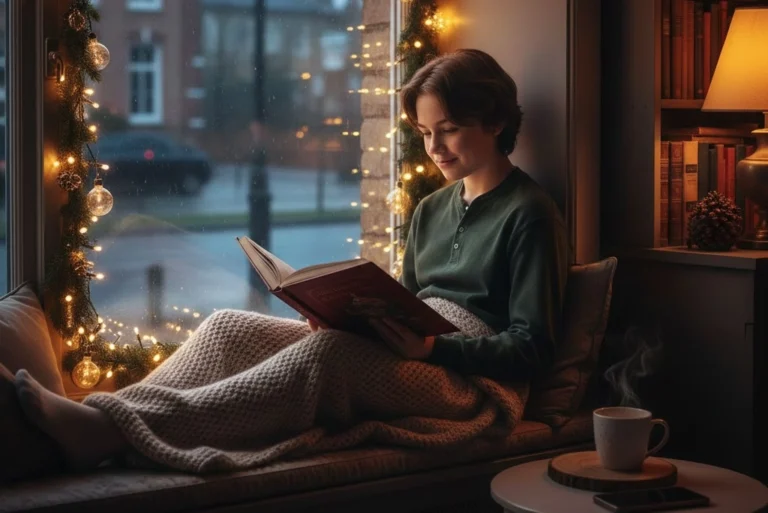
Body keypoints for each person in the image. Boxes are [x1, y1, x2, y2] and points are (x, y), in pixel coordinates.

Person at [13, 48, 568, 474]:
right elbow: (408, 302)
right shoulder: (430, 209)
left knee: (327, 358)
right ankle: (99, 420)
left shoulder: (530, 213)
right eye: (424, 133)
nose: (434, 147)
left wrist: (435, 347)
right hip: (420, 358)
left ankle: (108, 431)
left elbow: (532, 346)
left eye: (448, 129)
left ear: (494, 121)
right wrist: (350, 316)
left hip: (478, 389)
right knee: (229, 328)